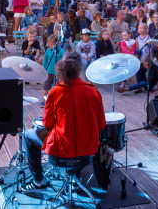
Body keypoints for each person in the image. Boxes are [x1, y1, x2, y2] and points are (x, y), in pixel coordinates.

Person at [23, 52, 105, 190]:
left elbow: (48, 124)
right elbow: (101, 125)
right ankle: (75, 176)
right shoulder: (93, 92)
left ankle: (39, 180)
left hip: (61, 148)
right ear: (78, 71)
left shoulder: (55, 92)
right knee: (78, 136)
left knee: (28, 135)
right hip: (89, 148)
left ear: (61, 72)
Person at [42, 34, 64, 107]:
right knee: (46, 87)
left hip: (57, 74)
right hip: (48, 72)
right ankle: (43, 100)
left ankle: (58, 100)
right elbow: (45, 60)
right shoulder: (48, 51)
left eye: (51, 44)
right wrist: (44, 69)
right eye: (49, 43)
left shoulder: (61, 52)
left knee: (58, 87)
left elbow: (63, 62)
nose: (49, 45)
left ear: (58, 43)